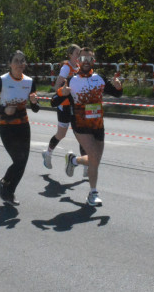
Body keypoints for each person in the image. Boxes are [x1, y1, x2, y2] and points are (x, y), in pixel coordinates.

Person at [59, 47, 123, 207]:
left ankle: (74, 160)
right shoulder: (72, 79)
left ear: (93, 61)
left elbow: (117, 94)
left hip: (97, 124)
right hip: (80, 124)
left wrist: (118, 86)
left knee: (95, 160)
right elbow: (56, 98)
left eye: (89, 59)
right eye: (82, 59)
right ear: (78, 61)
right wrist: (62, 93)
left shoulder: (99, 78)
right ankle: (93, 193)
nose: (85, 62)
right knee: (94, 156)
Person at [0, 51, 40, 205]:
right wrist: (3, 110)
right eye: (16, 61)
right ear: (10, 64)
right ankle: (4, 183)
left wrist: (35, 102)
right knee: (18, 160)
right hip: (7, 127)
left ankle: (9, 192)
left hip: (23, 126)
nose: (19, 64)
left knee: (23, 162)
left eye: (22, 61)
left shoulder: (29, 82)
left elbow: (35, 108)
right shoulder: (2, 80)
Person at [42, 44, 85, 171]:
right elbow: (56, 87)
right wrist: (64, 90)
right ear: (70, 55)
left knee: (82, 135)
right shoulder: (66, 68)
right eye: (77, 54)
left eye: (80, 54)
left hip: (76, 106)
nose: (79, 56)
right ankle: (48, 153)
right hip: (65, 106)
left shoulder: (79, 67)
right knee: (61, 134)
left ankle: (86, 167)